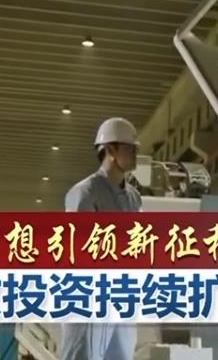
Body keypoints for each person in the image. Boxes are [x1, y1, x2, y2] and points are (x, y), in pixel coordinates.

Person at [59, 117, 143, 360]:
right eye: (129, 148)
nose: (135, 153)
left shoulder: (134, 198)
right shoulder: (85, 193)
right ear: (110, 150)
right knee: (83, 354)